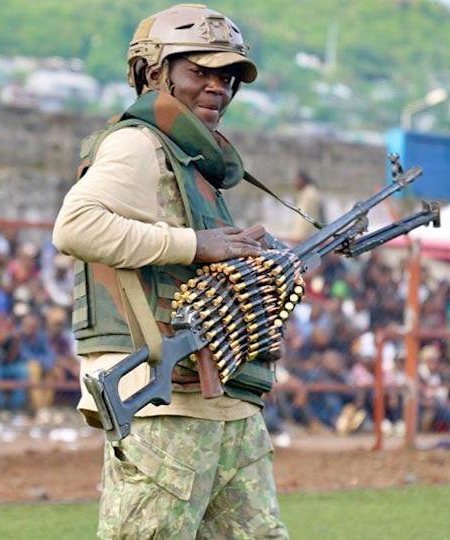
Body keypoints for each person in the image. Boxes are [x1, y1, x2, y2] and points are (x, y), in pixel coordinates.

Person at [52, 4, 286, 537]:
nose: (217, 87)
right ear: (156, 73)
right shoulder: (137, 144)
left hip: (223, 405)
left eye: (226, 76)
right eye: (199, 71)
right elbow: (75, 226)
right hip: (162, 406)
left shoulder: (194, 163)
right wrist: (191, 243)